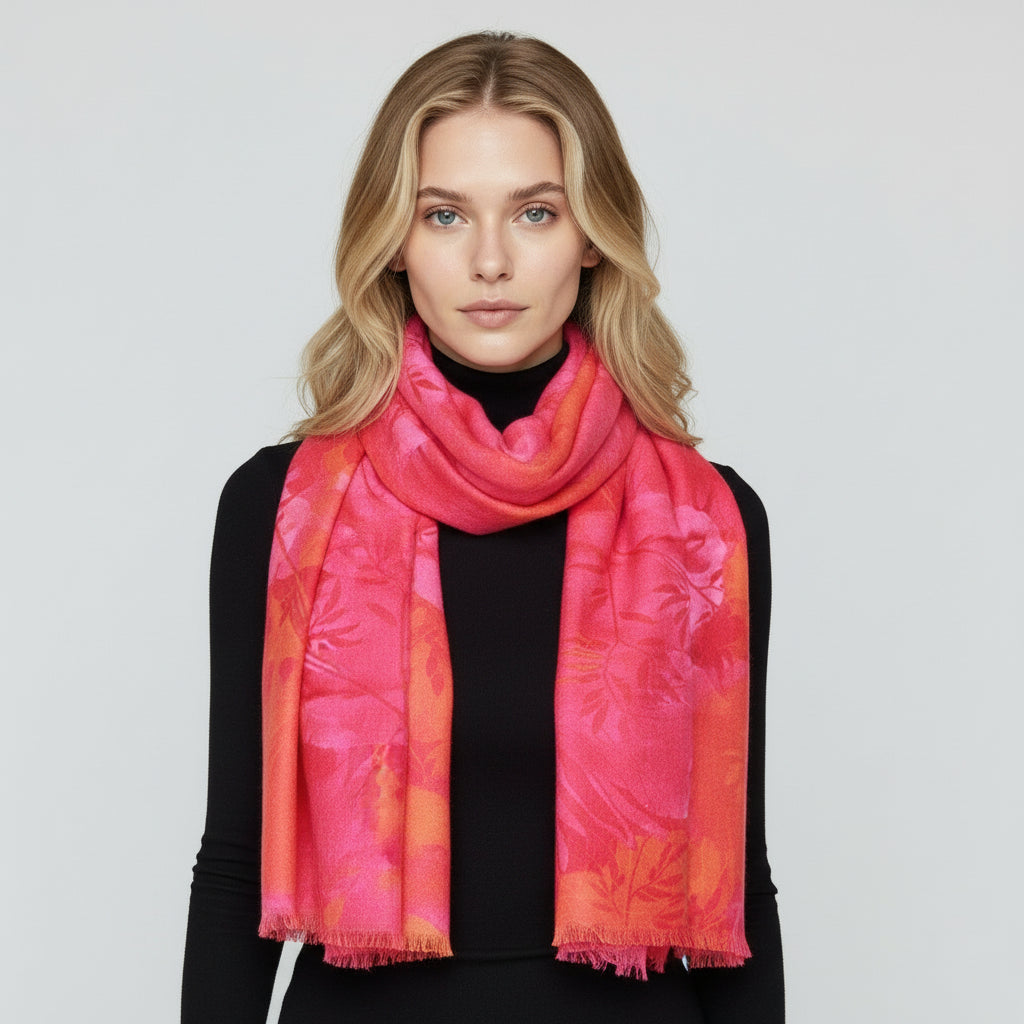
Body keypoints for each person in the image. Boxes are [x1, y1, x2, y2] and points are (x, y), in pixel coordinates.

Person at [182, 30, 784, 1023]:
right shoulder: (284, 508)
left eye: (535, 212)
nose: (491, 259)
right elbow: (236, 867)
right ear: (393, 239)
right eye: (446, 214)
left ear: (592, 235)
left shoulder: (706, 521)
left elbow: (736, 885)